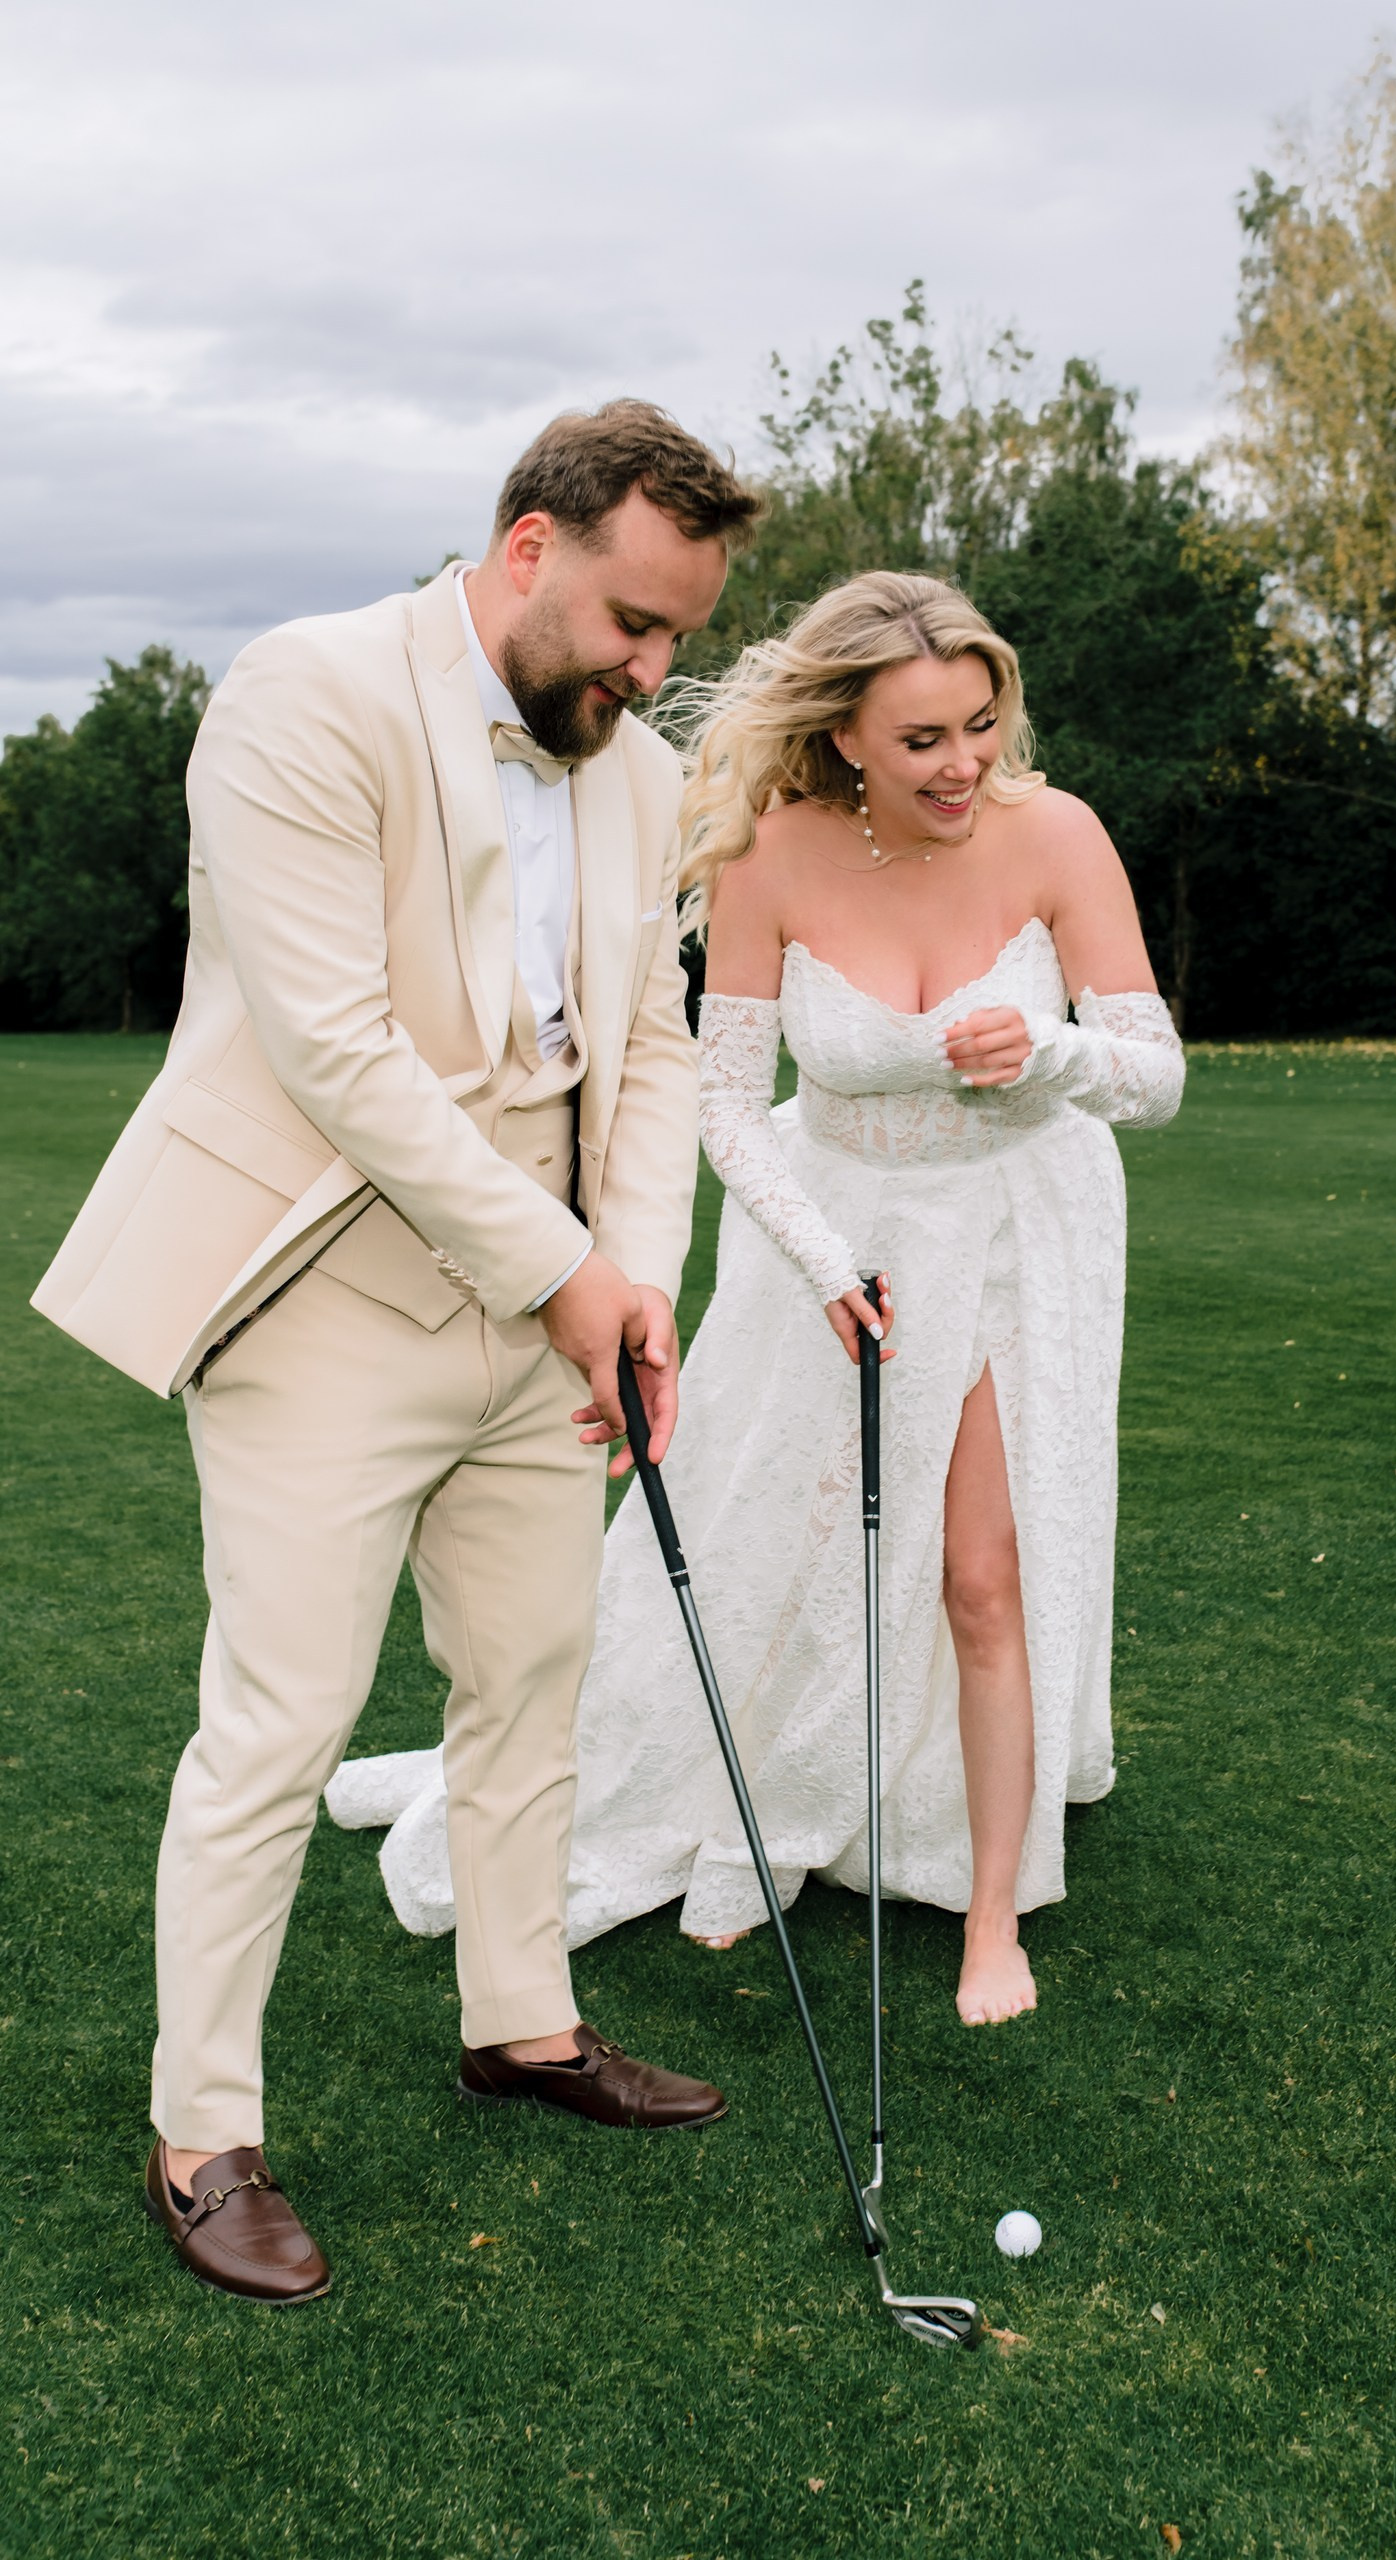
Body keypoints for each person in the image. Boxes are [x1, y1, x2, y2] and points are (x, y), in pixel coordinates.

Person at [32, 402, 762, 2303]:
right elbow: (338, 1051)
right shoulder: (304, 694)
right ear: (530, 546)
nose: (652, 669)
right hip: (324, 1288)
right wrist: (566, 1278)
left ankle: (520, 2020)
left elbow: (659, 1050)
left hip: (549, 1305)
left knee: (530, 1674)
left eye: (680, 635)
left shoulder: (633, 766)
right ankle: (204, 2133)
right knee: (276, 1719)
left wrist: (635, 1278)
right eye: (631, 620)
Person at [330, 571, 1185, 2029]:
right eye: (923, 740)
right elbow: (724, 1102)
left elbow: (1153, 1076)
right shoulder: (771, 854)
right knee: (777, 1541)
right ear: (846, 735)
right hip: (832, 1238)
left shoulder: (1058, 836)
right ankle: (762, 1800)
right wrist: (821, 1258)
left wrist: (1048, 1055)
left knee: (984, 1572)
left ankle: (991, 1913)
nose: (964, 763)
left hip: (1020, 1230)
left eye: (980, 724)